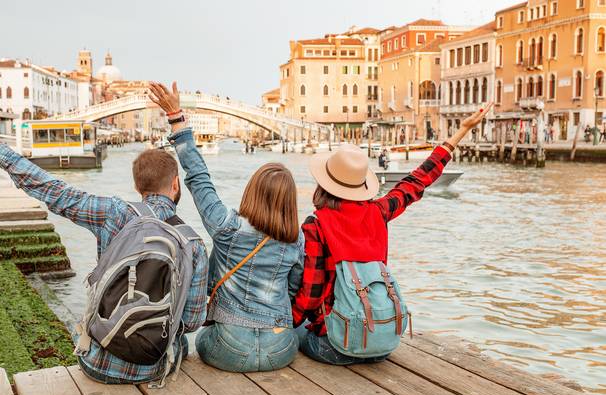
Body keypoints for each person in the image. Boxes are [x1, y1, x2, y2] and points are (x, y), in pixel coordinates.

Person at [0, 109, 209, 385]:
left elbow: (57, 193)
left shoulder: (114, 213)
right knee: (181, 340)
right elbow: (193, 321)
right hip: (152, 368)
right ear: (175, 184)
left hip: (96, 361)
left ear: (138, 187)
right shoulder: (192, 243)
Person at [291, 102, 495, 366]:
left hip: (336, 345)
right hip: (382, 343)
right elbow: (417, 180)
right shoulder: (379, 212)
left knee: (293, 332)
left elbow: (310, 295)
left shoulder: (316, 225)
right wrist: (461, 132)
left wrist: (283, 322)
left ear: (324, 184)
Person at [149, 82, 304, 372]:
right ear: (289, 202)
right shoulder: (296, 238)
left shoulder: (225, 226)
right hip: (281, 348)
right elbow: (294, 288)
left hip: (229, 348)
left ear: (252, 191)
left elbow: (198, 177)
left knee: (201, 338)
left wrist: (176, 118)